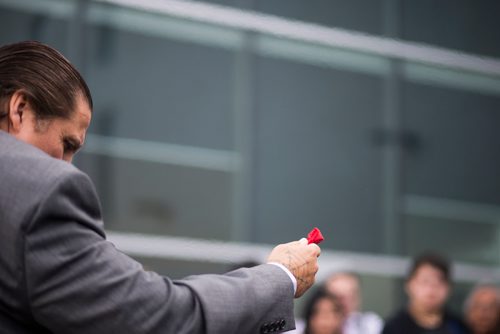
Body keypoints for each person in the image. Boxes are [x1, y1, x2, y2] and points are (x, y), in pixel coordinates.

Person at [0, 40, 321, 334]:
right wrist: (281, 275)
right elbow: (159, 315)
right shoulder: (42, 193)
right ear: (20, 110)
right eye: (67, 144)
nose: (66, 165)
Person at [382, 252, 469, 334]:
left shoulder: (458, 327)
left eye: (438, 283)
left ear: (449, 288)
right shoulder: (394, 327)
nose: (431, 289)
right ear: (409, 284)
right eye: (425, 281)